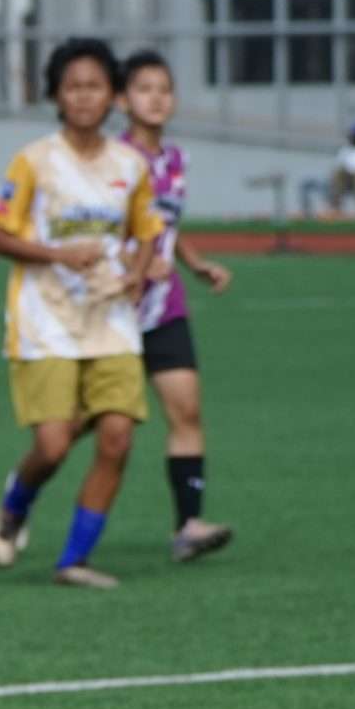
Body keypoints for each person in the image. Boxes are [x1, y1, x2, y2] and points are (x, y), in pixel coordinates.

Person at [0, 38, 165, 589]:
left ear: (112, 96)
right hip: (47, 321)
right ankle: (17, 501)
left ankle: (75, 559)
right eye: (73, 86)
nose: (84, 97)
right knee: (54, 444)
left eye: (95, 86)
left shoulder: (130, 165)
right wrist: (60, 254)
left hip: (111, 320)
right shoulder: (35, 161)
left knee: (118, 437)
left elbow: (147, 233)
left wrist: (137, 271)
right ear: (57, 96)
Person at [118, 50, 235, 563]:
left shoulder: (175, 160)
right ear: (122, 100)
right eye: (145, 89)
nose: (156, 98)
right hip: (113, 311)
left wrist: (195, 262)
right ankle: (21, 498)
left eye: (164, 89)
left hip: (165, 307)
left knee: (187, 409)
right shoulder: (112, 160)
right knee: (75, 429)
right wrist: (134, 263)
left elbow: (168, 225)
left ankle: (188, 525)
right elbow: (103, 230)